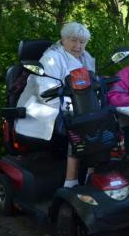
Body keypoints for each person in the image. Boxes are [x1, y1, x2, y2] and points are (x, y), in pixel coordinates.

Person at [15, 22, 96, 188]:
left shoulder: (86, 58)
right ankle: (71, 181)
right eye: (74, 40)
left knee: (102, 120)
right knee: (81, 125)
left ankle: (91, 175)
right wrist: (77, 105)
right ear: (63, 39)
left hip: (72, 107)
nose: (78, 46)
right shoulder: (52, 58)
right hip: (41, 109)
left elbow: (92, 86)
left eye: (82, 42)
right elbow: (47, 94)